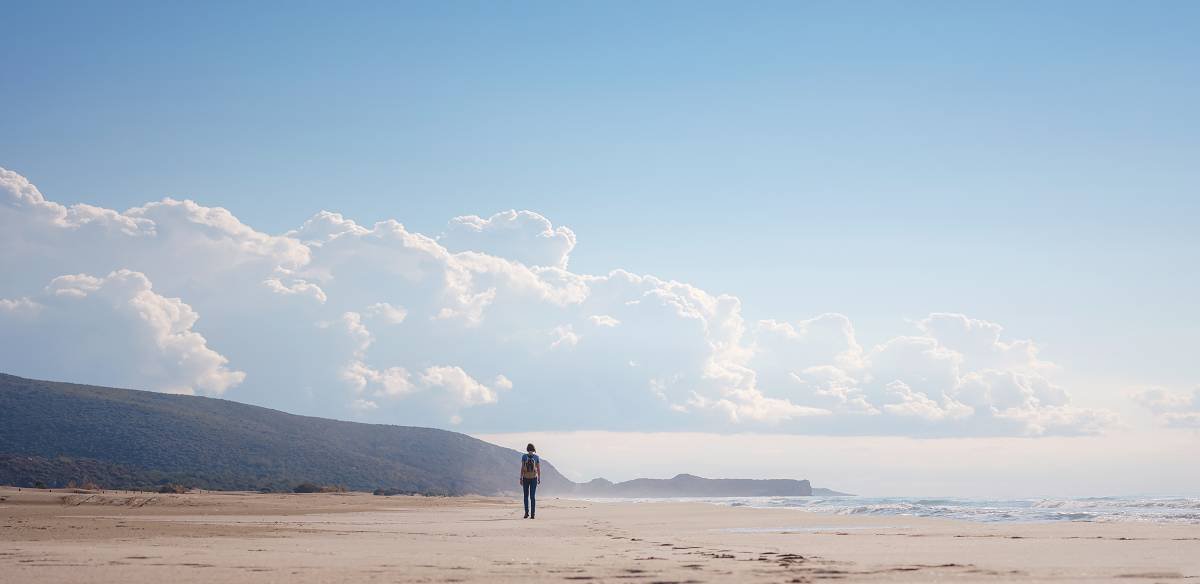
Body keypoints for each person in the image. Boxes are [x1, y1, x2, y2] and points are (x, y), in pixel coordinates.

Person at [519, 443, 541, 519]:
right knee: (532, 496)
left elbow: (522, 468)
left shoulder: (524, 456)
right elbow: (538, 469)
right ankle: (532, 514)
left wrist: (521, 478)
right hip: (534, 478)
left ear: (527, 449)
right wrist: (539, 478)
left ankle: (526, 513)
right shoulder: (536, 457)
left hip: (525, 478)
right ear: (534, 449)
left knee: (526, 496)